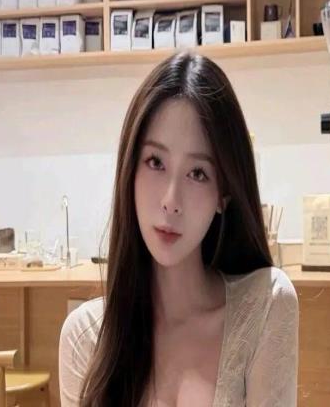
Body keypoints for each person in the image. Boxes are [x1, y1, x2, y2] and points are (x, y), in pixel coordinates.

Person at [59, 51, 299, 407]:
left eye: (197, 173)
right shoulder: (85, 338)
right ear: (130, 171)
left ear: (223, 194)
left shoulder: (265, 306)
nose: (171, 201)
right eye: (155, 162)